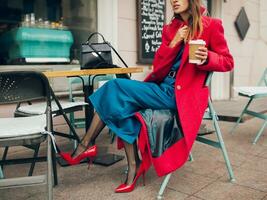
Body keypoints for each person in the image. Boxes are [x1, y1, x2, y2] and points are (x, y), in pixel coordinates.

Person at [61, 0, 234, 193]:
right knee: (120, 104)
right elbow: (159, 67)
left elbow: (227, 62)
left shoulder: (211, 25)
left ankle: (86, 144)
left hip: (180, 96)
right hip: (161, 87)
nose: (173, 1)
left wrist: (208, 57)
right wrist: (174, 42)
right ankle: (132, 167)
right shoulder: (170, 29)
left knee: (114, 87)